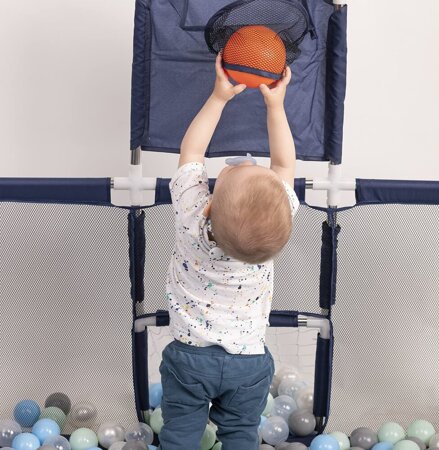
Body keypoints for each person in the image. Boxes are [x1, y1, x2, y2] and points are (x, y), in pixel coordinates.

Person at [159, 53, 299, 450]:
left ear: (207, 203)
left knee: (180, 434)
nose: (250, 160)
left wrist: (218, 98)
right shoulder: (272, 236)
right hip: (249, 365)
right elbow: (284, 165)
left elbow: (191, 155)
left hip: (188, 360)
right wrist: (276, 106)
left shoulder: (192, 221)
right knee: (241, 434)